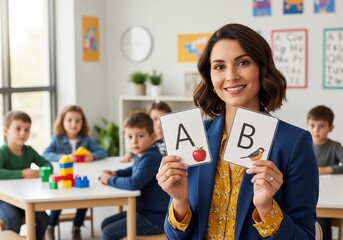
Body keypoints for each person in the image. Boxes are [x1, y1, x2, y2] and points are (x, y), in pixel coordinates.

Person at [156, 23, 319, 239]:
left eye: (243, 63)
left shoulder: (294, 143)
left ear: (261, 68)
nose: (231, 76)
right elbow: (174, 236)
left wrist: (266, 208)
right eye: (219, 66)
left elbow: (305, 236)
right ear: (211, 78)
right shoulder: (195, 136)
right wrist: (179, 202)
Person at [99, 111, 170, 240]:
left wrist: (109, 179)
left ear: (152, 137)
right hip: (142, 212)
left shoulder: (152, 158)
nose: (134, 141)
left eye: (140, 136)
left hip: (154, 219)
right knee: (105, 224)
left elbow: (133, 183)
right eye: (130, 137)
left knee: (108, 233)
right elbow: (133, 169)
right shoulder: (142, 154)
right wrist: (116, 173)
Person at [43, 105, 108, 240]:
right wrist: (63, 157)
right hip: (64, 176)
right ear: (62, 122)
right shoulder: (57, 139)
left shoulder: (86, 139)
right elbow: (46, 154)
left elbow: (103, 152)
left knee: (84, 199)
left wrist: (92, 156)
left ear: (82, 123)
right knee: (58, 201)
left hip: (80, 176)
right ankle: (50, 226)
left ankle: (77, 227)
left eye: (78, 121)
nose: (74, 124)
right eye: (70, 120)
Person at [0, 110, 54, 240]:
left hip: (25, 199)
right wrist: (22, 173)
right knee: (13, 219)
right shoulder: (3, 152)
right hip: (4, 201)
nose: (23, 133)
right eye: (18, 129)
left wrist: (39, 172)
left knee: (43, 219)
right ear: (6, 131)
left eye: (27, 129)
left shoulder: (29, 151)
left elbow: (48, 165)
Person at [307, 105, 343, 240]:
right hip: (312, 193)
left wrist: (325, 170)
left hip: (330, 193)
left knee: (323, 222)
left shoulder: (335, 146)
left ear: (330, 128)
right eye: (312, 125)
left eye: (321, 126)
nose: (316, 130)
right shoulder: (305, 145)